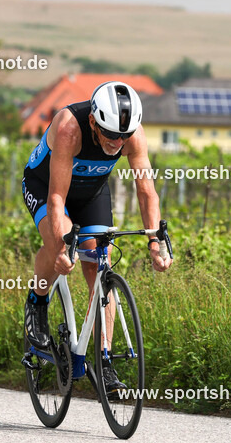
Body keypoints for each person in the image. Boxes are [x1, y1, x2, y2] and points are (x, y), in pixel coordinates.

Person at [22, 81, 172, 393]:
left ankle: (104, 361)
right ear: (93, 120)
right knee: (60, 246)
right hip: (47, 187)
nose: (118, 142)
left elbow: (147, 193)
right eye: (111, 134)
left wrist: (155, 243)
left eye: (124, 136)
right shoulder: (68, 128)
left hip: (91, 194)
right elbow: (56, 200)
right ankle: (36, 302)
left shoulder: (133, 135)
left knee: (98, 265)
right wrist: (63, 247)